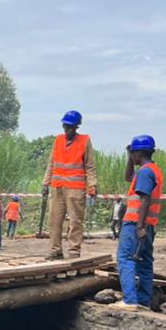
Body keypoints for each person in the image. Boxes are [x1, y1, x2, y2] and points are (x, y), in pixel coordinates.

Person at [115, 135, 162, 310]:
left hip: (136, 223)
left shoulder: (144, 172)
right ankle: (143, 301)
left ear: (140, 152)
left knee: (125, 258)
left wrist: (140, 226)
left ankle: (129, 300)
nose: (132, 156)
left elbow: (144, 200)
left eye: (133, 153)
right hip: (148, 224)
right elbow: (128, 177)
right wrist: (129, 157)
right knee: (145, 261)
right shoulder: (151, 170)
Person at [42, 110, 96, 260]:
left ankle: (74, 250)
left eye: (71, 127)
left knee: (75, 221)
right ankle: (55, 250)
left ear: (77, 127)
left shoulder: (85, 141)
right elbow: (51, 163)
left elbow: (90, 166)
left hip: (75, 189)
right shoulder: (58, 140)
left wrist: (92, 185)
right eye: (66, 127)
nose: (68, 130)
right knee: (54, 220)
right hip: (57, 187)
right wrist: (45, 182)